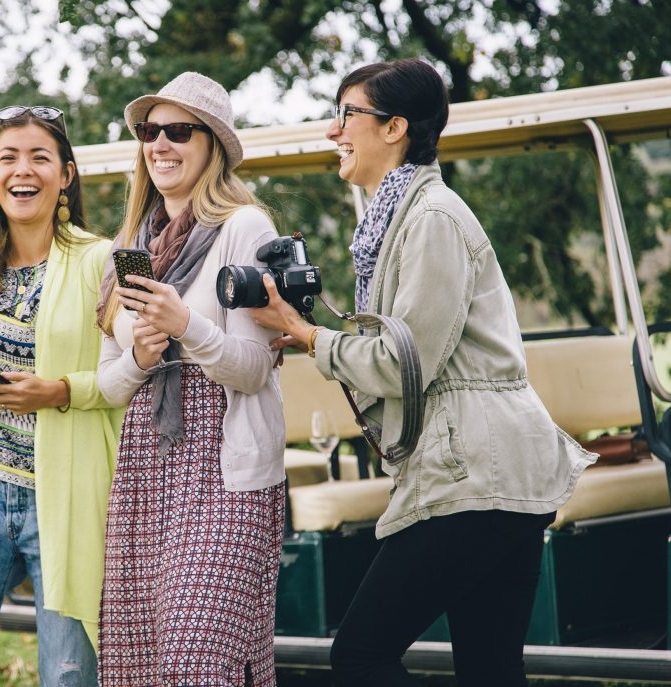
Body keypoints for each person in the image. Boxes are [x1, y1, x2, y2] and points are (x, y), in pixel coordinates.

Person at [249, 59, 597, 686]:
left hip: (475, 475)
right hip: (495, 472)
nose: (335, 130)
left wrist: (306, 334)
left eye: (347, 113)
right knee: (489, 670)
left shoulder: (431, 218)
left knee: (359, 655)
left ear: (395, 128)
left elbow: (401, 363)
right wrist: (308, 335)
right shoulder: (398, 218)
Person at [95, 72, 287, 686]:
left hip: (226, 464)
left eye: (180, 131)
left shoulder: (245, 227)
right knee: (141, 666)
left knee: (196, 660)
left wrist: (185, 326)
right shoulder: (128, 247)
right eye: (151, 131)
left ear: (213, 146)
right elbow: (109, 386)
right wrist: (141, 358)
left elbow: (255, 367)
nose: (161, 144)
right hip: (148, 469)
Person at [0, 105, 122, 687]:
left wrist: (61, 392)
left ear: (66, 175)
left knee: (68, 676)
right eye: (7, 158)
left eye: (39, 157)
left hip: (63, 492)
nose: (21, 170)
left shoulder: (97, 260)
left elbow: (128, 377)